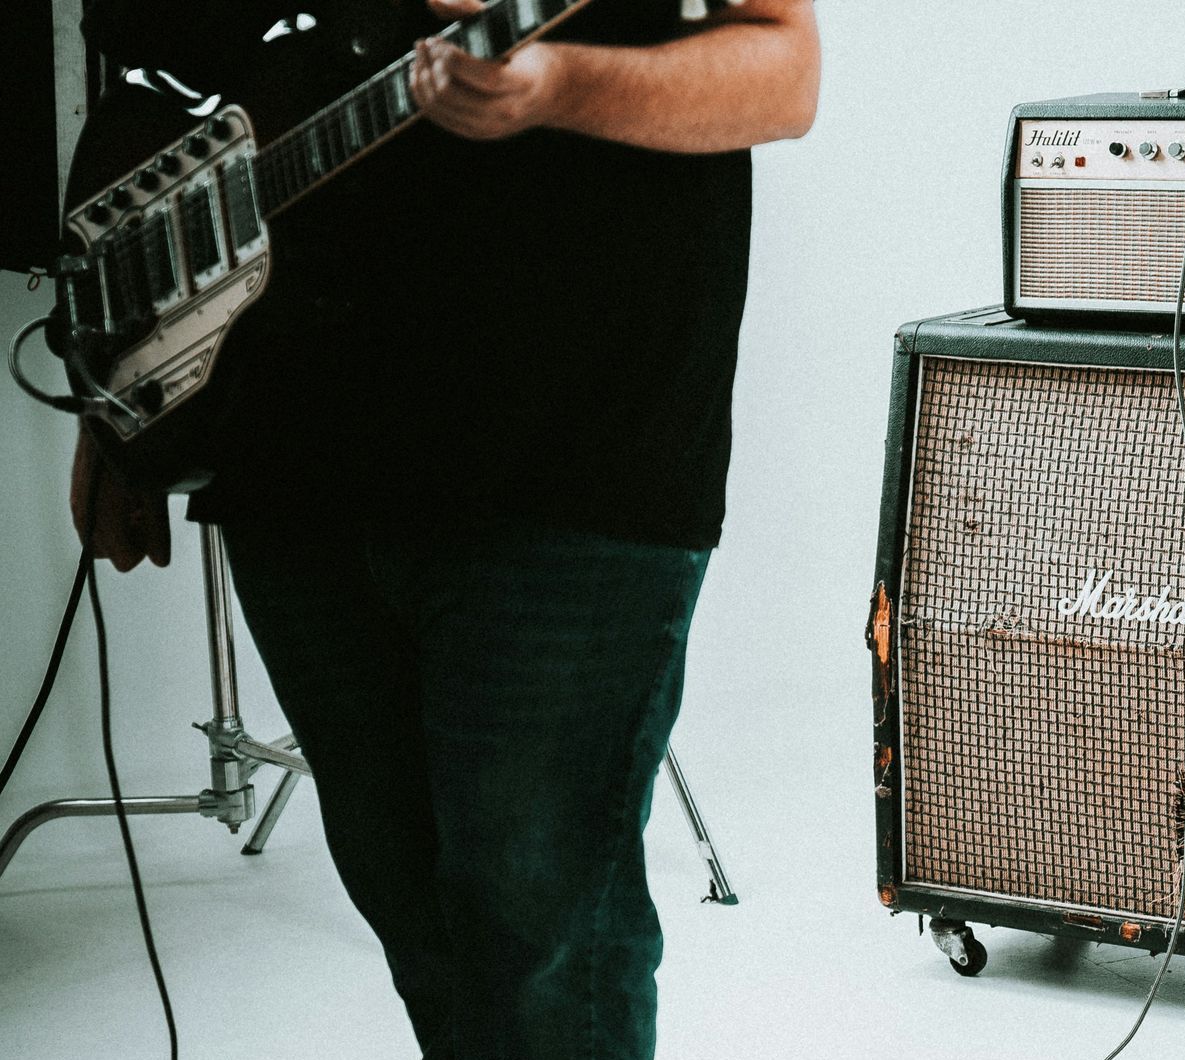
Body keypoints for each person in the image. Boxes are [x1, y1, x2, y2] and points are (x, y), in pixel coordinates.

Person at [68, 1, 820, 1056]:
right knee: (419, 930)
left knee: (544, 953)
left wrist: (561, 85)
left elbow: (783, 71)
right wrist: (124, 391)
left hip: (569, 459)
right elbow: (177, 83)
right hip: (295, 467)